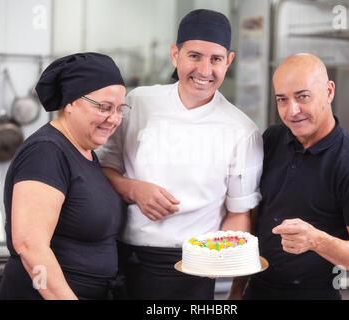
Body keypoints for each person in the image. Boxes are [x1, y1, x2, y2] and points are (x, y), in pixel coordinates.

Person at [96, 9, 263, 299]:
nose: (205, 71)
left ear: (229, 61)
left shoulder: (242, 131)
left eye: (216, 59)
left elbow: (239, 213)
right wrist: (134, 189)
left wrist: (218, 257)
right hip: (121, 257)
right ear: (176, 55)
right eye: (194, 56)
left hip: (191, 270)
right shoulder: (139, 102)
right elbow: (103, 170)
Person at [229, 53, 349, 300]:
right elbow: (256, 216)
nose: (292, 111)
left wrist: (316, 241)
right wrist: (237, 289)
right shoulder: (272, 139)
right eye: (282, 99)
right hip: (257, 291)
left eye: (303, 96)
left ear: (329, 91)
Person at [0, 52, 130, 300]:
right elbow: (29, 246)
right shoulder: (46, 152)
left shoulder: (85, 152)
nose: (115, 119)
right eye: (104, 107)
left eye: (120, 109)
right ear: (70, 103)